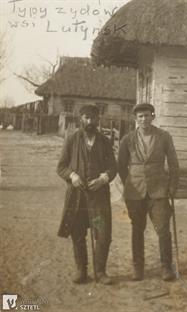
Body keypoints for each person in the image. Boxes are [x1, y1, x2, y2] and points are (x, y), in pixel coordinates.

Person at [118, 103, 179, 281]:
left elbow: (174, 164)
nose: (144, 119)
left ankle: (166, 267)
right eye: (140, 116)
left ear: (153, 116)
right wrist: (130, 183)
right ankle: (138, 268)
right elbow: (121, 166)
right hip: (135, 192)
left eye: (147, 115)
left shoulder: (164, 137)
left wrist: (173, 186)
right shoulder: (127, 139)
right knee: (137, 230)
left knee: (163, 229)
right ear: (135, 119)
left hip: (159, 190)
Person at [57, 104, 117, 285]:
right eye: (86, 118)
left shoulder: (105, 142)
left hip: (98, 200)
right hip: (78, 200)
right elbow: (61, 167)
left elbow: (113, 168)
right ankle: (81, 271)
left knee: (103, 233)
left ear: (98, 120)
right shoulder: (72, 140)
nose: (90, 121)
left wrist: (103, 178)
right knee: (77, 232)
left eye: (93, 118)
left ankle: (100, 272)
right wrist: (72, 175)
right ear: (80, 119)